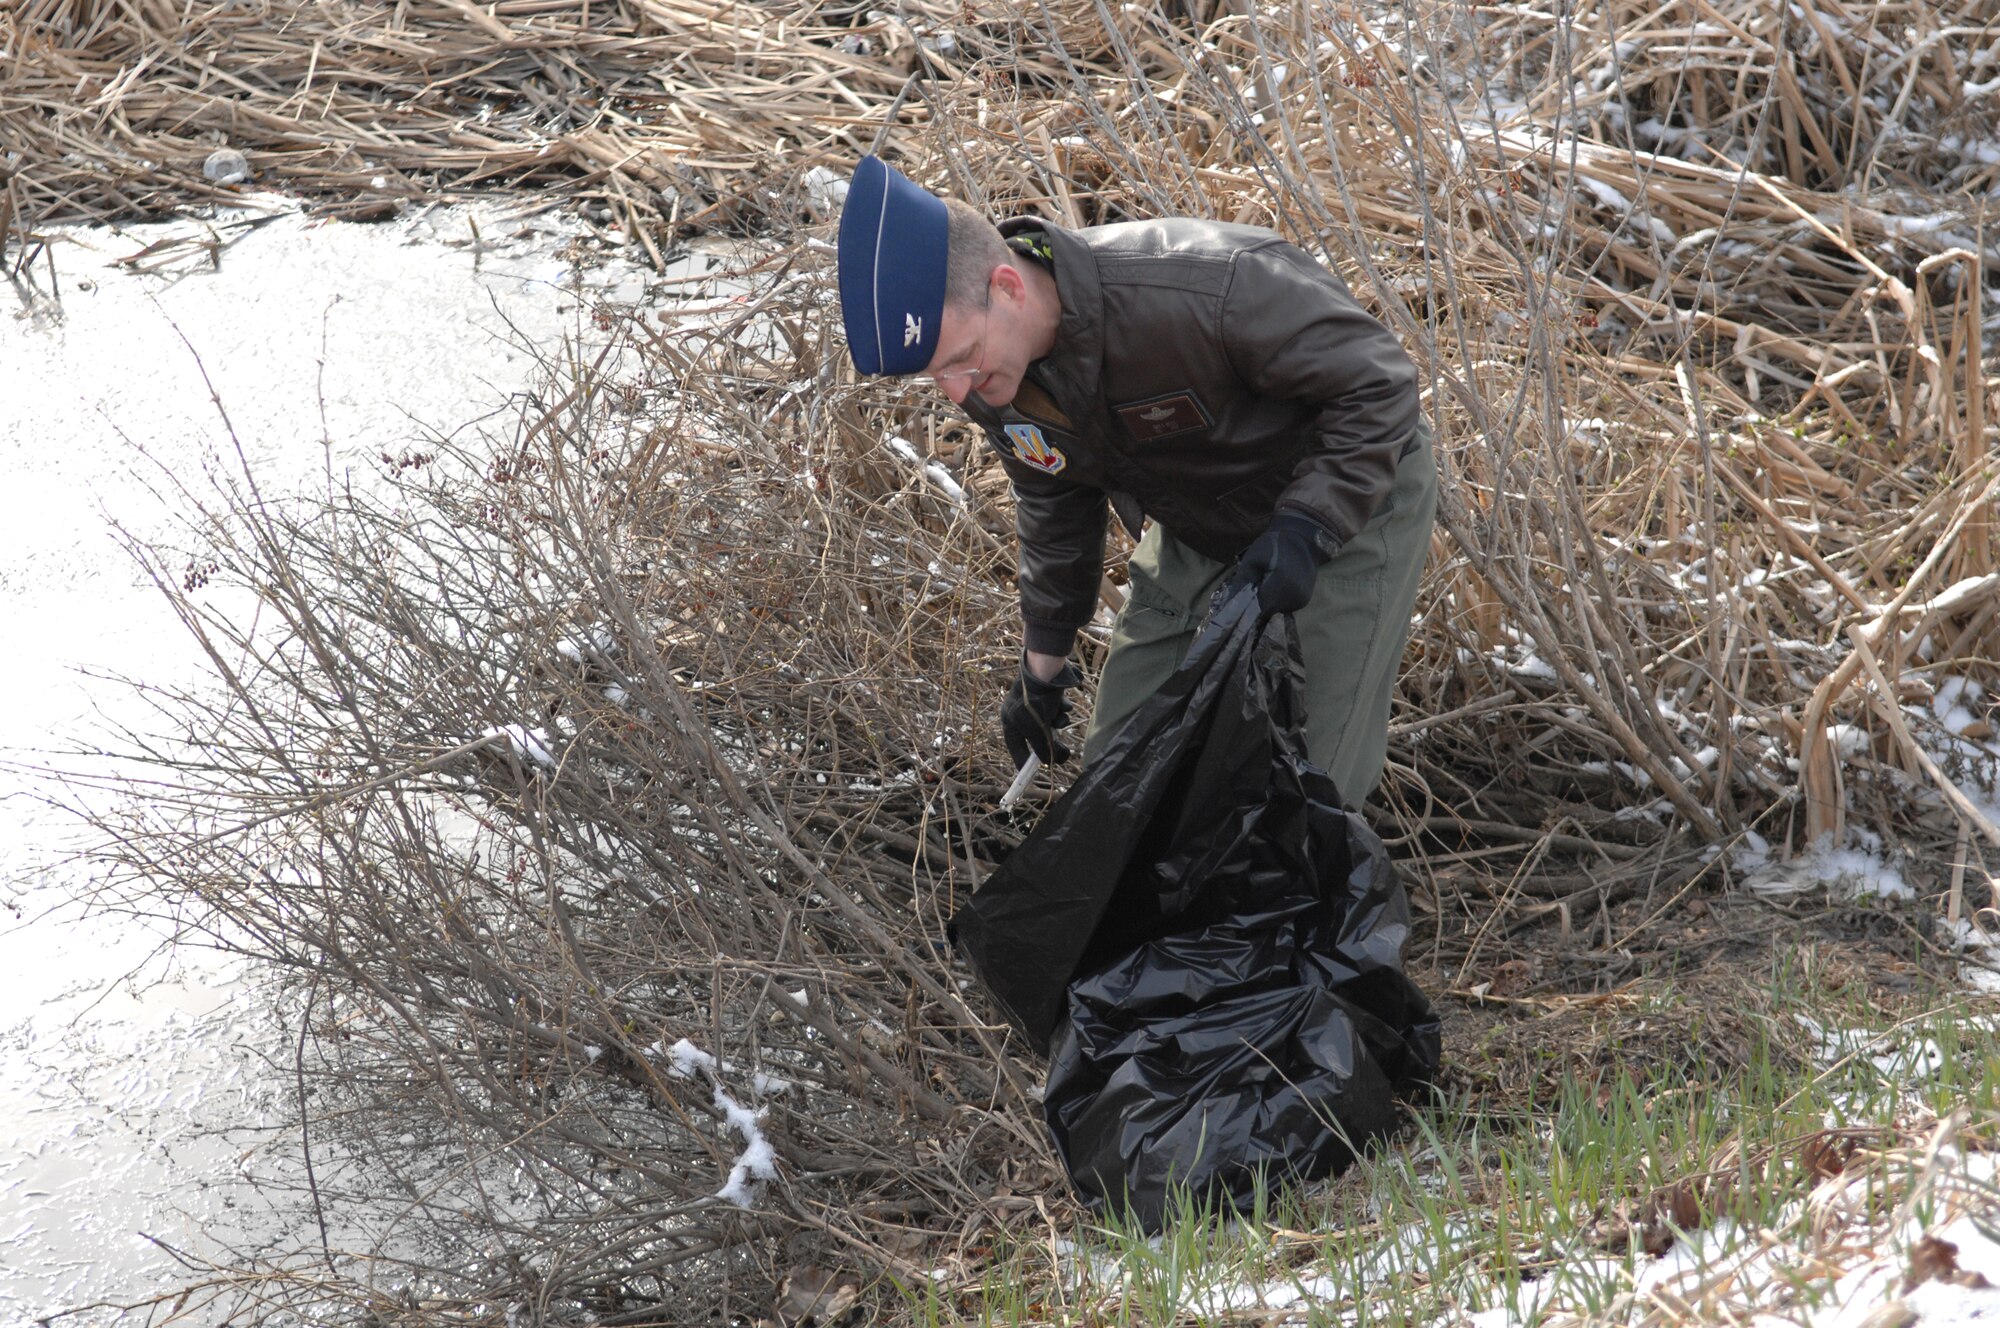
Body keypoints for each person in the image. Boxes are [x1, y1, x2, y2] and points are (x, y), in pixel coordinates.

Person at [835, 155, 1435, 807]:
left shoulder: (1207, 290)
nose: (957, 393)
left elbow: (1379, 385)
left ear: (1008, 286)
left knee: (1309, 786)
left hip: (1352, 493)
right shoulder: (992, 375)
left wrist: (1308, 528)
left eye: (960, 360)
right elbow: (1052, 494)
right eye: (934, 377)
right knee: (1120, 773)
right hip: (1195, 517)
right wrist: (1043, 666)